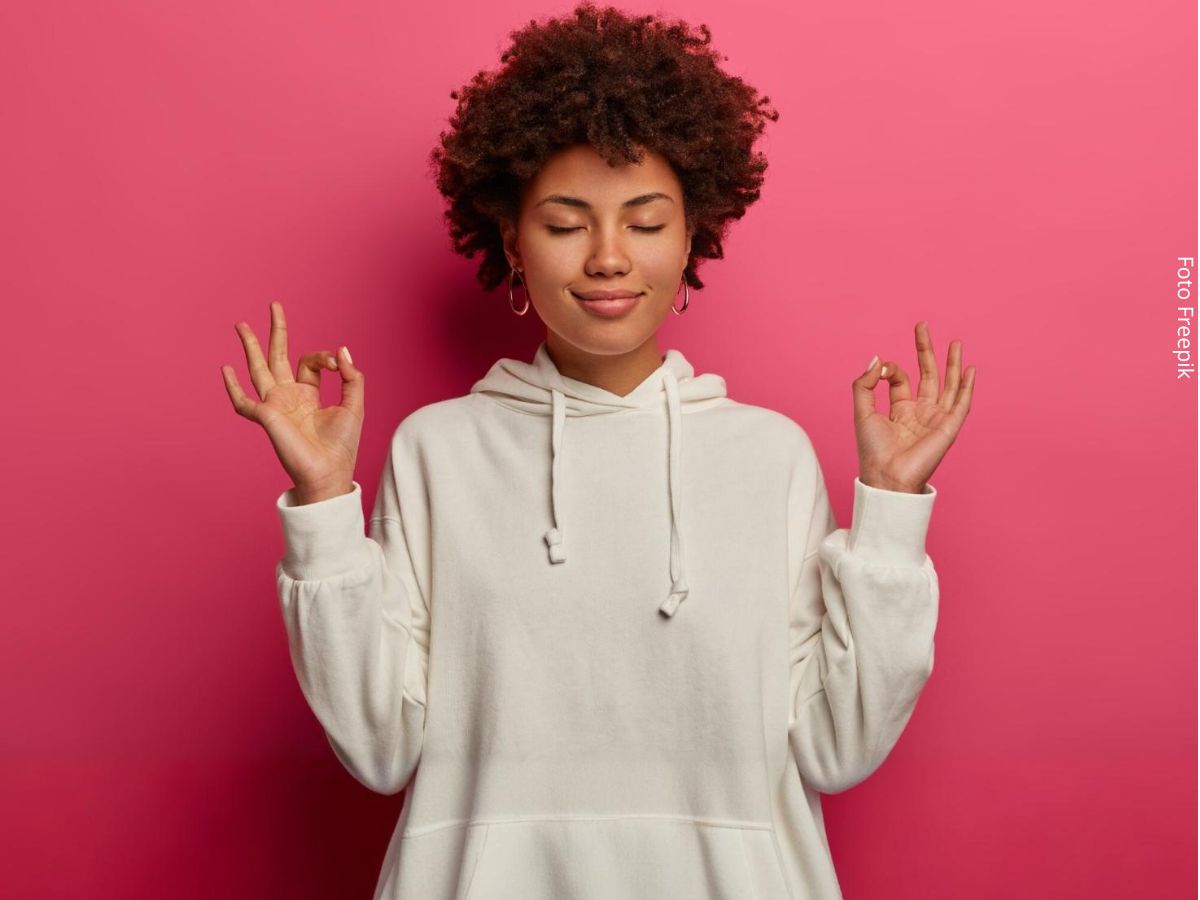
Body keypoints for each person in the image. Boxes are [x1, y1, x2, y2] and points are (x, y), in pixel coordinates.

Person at [220, 3, 975, 898]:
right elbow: (380, 747)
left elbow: (837, 745)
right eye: (567, 222)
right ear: (511, 239)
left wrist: (888, 513)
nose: (609, 257)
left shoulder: (770, 459)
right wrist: (322, 508)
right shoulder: (437, 451)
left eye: (647, 224)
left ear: (694, 236)